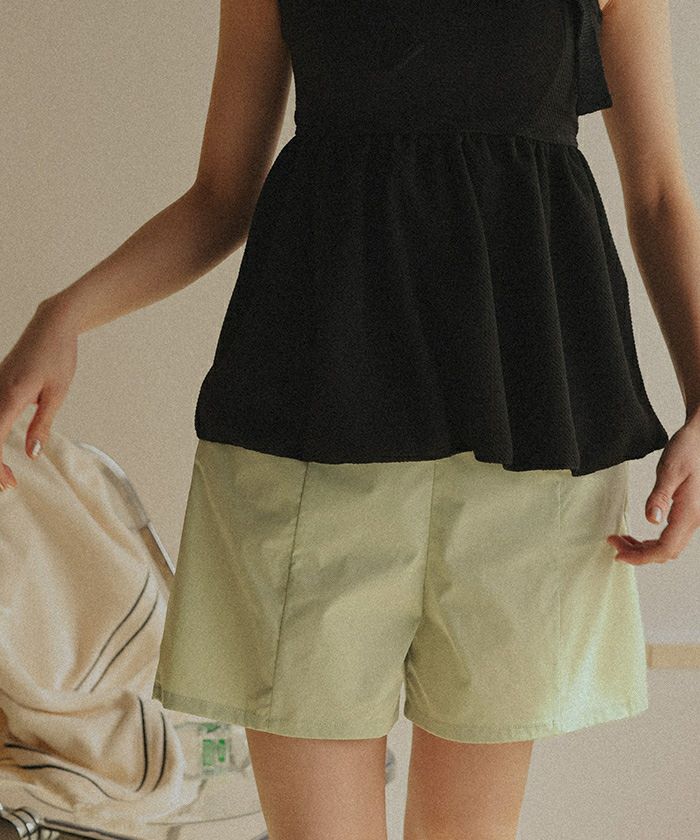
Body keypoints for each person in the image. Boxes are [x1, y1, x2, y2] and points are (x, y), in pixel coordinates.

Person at [1, 0, 699, 838]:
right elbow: (221, 195)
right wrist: (65, 315)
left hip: (526, 434)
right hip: (309, 427)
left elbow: (659, 192)